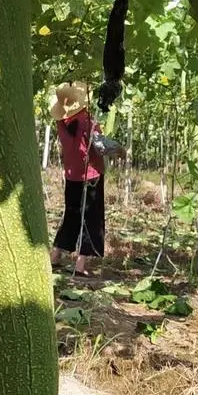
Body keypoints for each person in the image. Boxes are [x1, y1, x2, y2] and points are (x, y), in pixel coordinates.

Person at [48, 81, 124, 277]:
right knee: (91, 219)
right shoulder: (87, 122)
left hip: (72, 176)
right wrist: (119, 149)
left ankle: (54, 257)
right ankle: (80, 266)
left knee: (72, 216)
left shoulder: (61, 123)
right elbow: (100, 147)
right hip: (91, 177)